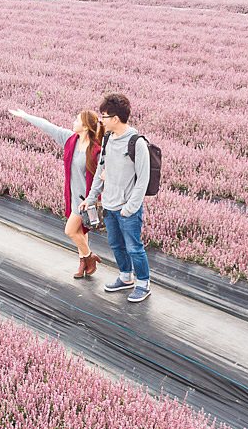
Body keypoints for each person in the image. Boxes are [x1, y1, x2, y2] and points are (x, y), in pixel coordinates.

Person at [9, 107, 104, 278]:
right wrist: (26, 116)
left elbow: (103, 176)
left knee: (70, 231)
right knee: (80, 232)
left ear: (85, 127)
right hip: (73, 195)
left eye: (77, 120)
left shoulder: (97, 150)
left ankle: (90, 257)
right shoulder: (70, 139)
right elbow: (48, 126)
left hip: (86, 200)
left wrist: (94, 198)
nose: (73, 122)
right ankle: (83, 263)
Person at [82, 93, 152, 303]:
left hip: (126, 208)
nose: (100, 120)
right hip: (109, 205)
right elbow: (100, 170)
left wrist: (130, 208)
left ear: (115, 118)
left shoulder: (136, 143)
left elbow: (143, 180)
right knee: (115, 244)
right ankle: (125, 277)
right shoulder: (108, 139)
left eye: (104, 116)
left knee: (134, 247)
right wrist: (91, 197)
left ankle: (143, 283)